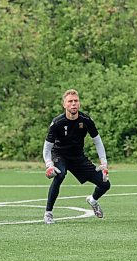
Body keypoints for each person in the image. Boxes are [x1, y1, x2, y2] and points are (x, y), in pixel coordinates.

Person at [42, 89, 111, 224]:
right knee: (60, 174)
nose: (73, 104)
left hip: (78, 157)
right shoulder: (57, 122)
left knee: (105, 184)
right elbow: (47, 147)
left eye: (76, 101)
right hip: (59, 155)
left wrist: (104, 163)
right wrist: (49, 164)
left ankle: (92, 200)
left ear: (79, 104)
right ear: (64, 105)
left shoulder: (86, 120)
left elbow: (97, 141)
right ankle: (48, 213)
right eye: (70, 101)